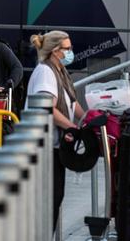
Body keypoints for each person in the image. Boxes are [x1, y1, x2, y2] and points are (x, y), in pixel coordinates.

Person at [26, 30, 86, 231]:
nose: (71, 52)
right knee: (49, 201)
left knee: (55, 197)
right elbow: (47, 106)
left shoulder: (59, 71)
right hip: (43, 147)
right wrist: (74, 128)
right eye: (67, 49)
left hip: (54, 146)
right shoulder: (45, 72)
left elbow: (71, 102)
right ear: (54, 51)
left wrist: (88, 120)